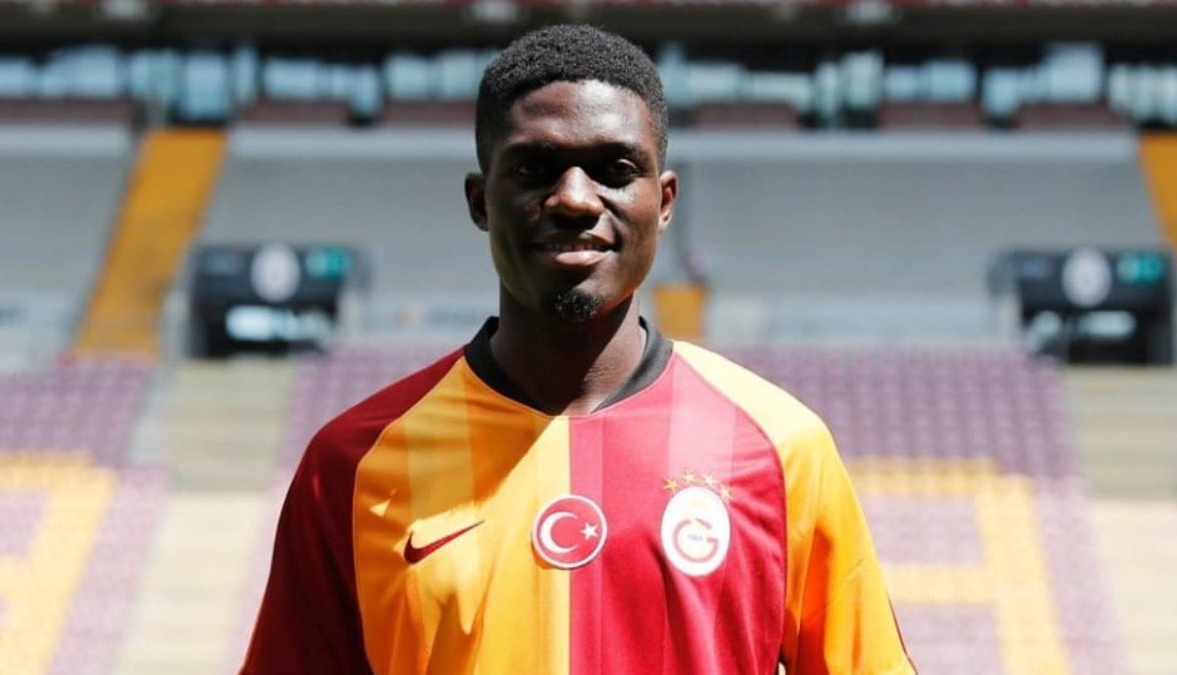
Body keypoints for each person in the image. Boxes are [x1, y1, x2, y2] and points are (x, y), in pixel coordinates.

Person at [241, 24, 915, 675]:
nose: (572, 199)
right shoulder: (352, 465)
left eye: (614, 169)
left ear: (665, 200)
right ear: (480, 201)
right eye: (534, 169)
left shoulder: (782, 449)